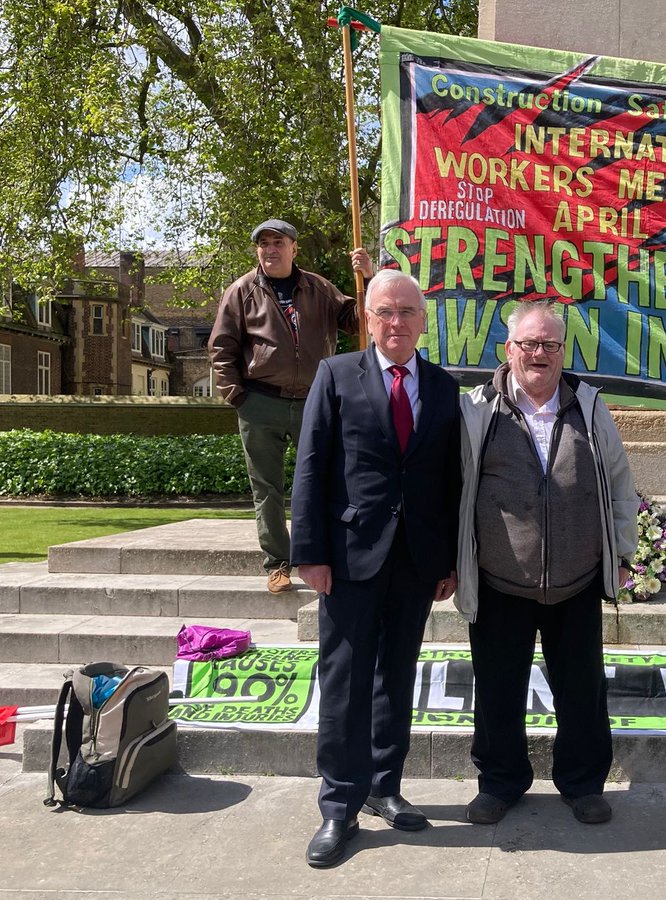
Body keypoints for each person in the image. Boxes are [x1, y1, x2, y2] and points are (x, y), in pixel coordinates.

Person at [290, 270, 461, 867]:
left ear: (422, 318)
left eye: (407, 312)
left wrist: (447, 562)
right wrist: (308, 553)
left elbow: (448, 481)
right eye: (384, 311)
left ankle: (384, 787)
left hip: (416, 561)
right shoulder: (335, 375)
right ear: (367, 317)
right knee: (345, 681)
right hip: (348, 559)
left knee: (397, 677)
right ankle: (339, 805)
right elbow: (312, 464)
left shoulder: (442, 387)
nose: (396, 323)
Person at [455, 299, 638, 828]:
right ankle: (500, 783)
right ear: (508, 349)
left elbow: (621, 485)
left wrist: (622, 551)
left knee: (582, 690)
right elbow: (456, 490)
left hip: (576, 579)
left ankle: (582, 784)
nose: (539, 354)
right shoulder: (477, 408)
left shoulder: (589, 406)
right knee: (497, 689)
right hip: (500, 580)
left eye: (550, 345)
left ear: (563, 351)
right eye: (529, 344)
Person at [209, 218, 374, 593]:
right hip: (259, 401)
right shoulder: (241, 291)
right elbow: (221, 347)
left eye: (278, 242)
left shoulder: (319, 288)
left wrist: (369, 277)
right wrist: (236, 395)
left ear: (293, 248)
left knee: (322, 481)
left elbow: (359, 321)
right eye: (263, 243)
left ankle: (317, 554)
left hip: (315, 401)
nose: (270, 249)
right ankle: (278, 564)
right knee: (266, 487)